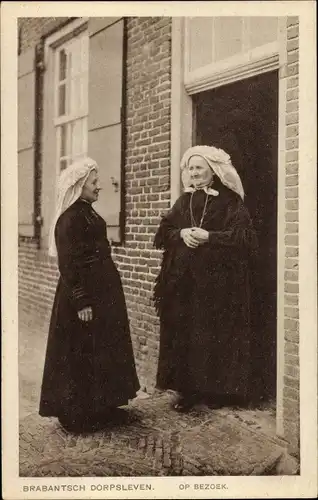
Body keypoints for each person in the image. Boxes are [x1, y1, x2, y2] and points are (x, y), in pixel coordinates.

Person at [153, 145, 258, 412]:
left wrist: (210, 237)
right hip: (185, 284)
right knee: (187, 335)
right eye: (190, 168)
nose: (194, 173)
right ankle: (188, 392)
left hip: (219, 285)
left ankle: (217, 391)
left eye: (199, 168)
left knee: (214, 335)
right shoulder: (183, 201)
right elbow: (162, 232)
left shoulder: (230, 202)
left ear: (213, 171)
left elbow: (246, 238)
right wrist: (182, 234)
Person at [39, 157, 140, 432]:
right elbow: (68, 264)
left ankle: (104, 406)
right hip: (82, 300)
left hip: (103, 295)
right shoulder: (69, 219)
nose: (99, 187)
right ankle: (76, 416)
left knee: (102, 348)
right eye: (94, 182)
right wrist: (81, 300)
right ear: (79, 186)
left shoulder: (89, 213)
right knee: (81, 352)